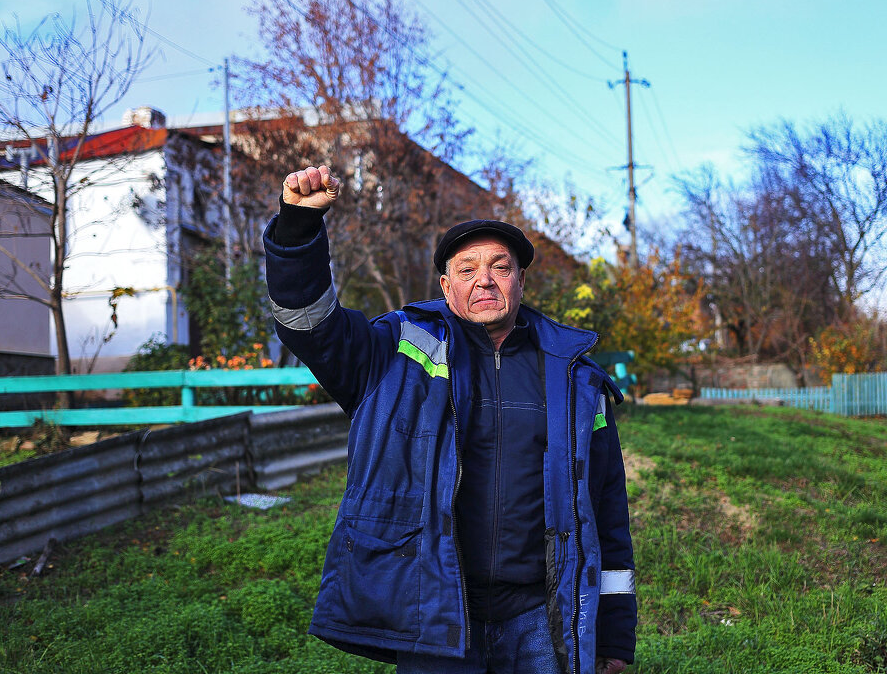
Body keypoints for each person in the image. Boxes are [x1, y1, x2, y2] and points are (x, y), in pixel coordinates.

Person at [264, 164, 637, 674]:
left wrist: (615, 633)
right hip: (436, 612)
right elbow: (309, 324)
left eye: (499, 267)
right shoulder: (395, 350)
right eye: (466, 269)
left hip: (539, 617)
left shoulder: (575, 377)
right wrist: (298, 231)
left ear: (521, 280)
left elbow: (608, 508)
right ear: (445, 285)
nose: (483, 279)